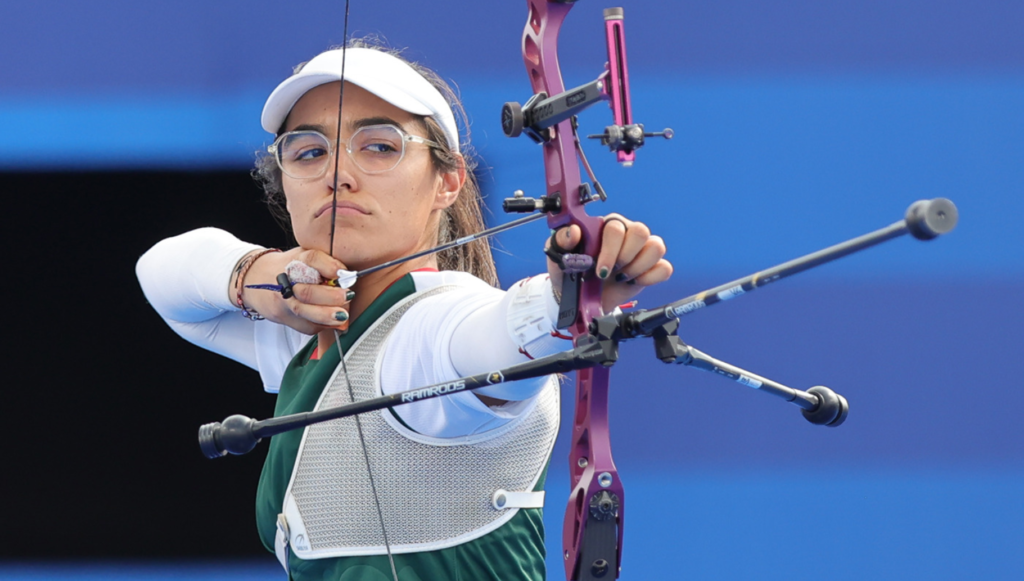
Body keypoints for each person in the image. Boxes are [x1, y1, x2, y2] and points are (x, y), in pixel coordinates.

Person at [136, 40, 671, 581]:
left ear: (448, 181)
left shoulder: (433, 323)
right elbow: (161, 273)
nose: (336, 174)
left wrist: (560, 299)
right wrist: (254, 278)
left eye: (379, 147)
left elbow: (485, 339)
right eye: (308, 152)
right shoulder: (302, 332)